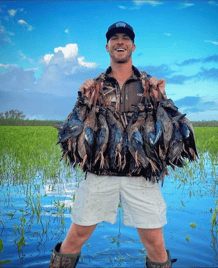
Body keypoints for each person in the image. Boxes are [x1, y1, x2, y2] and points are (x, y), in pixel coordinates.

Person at [49, 21, 177, 268]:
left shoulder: (150, 84)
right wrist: (81, 99)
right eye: (115, 38)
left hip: (142, 177)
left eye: (125, 38)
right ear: (107, 46)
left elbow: (168, 132)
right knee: (75, 236)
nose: (120, 42)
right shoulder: (94, 86)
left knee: (156, 244)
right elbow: (74, 133)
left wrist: (163, 98)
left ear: (133, 46)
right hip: (99, 175)